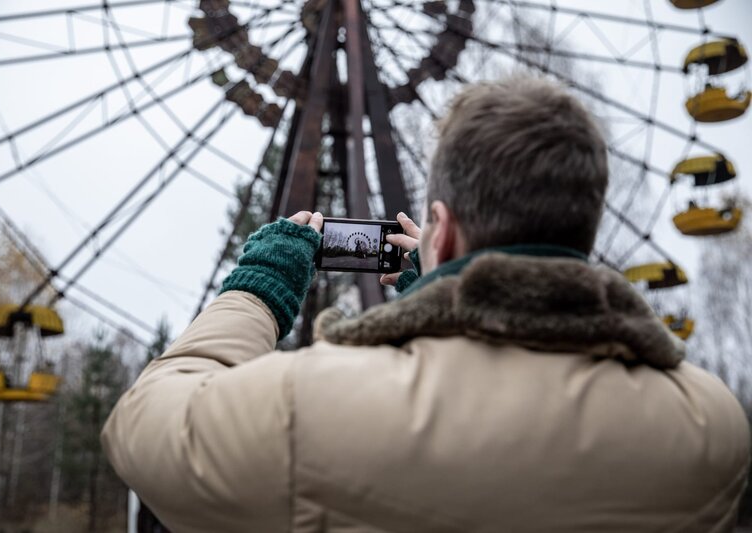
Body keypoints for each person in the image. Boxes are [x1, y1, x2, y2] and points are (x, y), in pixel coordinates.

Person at [101, 75, 750, 533]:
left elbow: (144, 425)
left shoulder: (313, 410)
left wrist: (259, 287)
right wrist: (443, 298)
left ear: (439, 229)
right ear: (583, 222)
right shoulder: (708, 425)